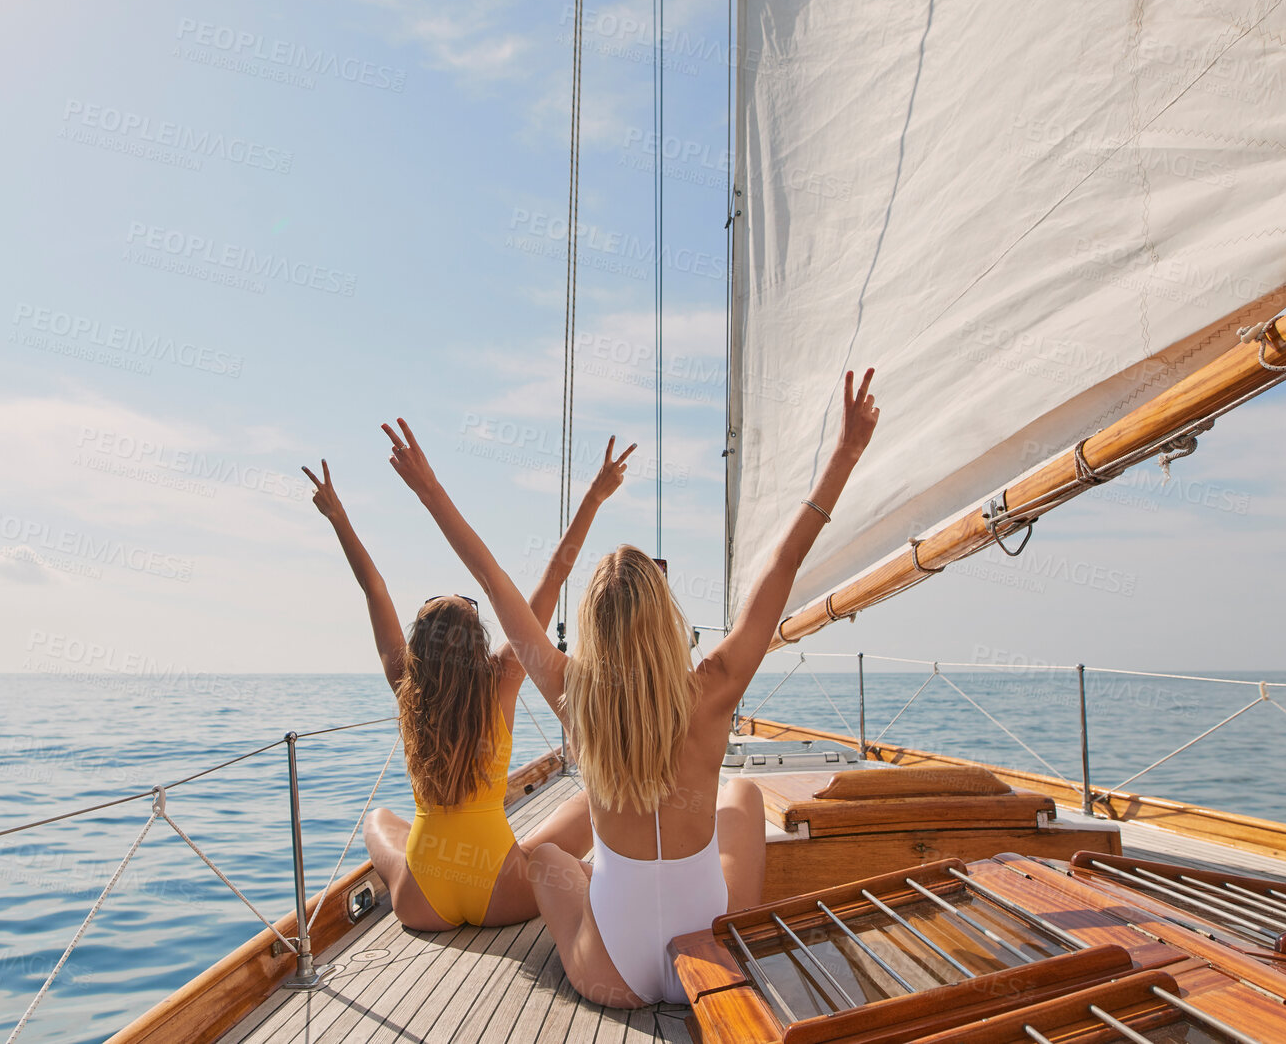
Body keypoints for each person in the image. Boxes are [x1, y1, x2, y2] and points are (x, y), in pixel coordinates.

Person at [382, 368, 880, 1004]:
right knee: (744, 794)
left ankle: (609, 881)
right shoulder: (717, 685)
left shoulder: (571, 695)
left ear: (591, 627)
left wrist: (429, 490)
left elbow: (491, 575)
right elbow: (784, 563)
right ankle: (704, 921)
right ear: (665, 618)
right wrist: (845, 455)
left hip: (609, 974)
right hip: (716, 960)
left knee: (544, 862)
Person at [301, 439, 636, 931]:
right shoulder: (503, 677)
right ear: (478, 641)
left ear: (421, 648)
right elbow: (555, 576)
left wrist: (337, 518)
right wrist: (593, 497)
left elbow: (374, 588)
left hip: (421, 900)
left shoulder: (406, 685)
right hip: (499, 889)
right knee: (590, 801)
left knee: (379, 821)